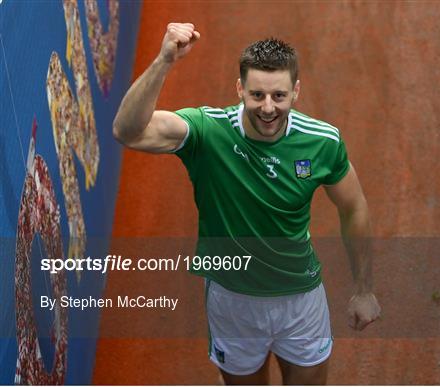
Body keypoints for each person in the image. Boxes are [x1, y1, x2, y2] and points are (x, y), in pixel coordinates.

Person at [113, 22, 381, 385]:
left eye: (278, 96)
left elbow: (354, 207)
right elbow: (127, 131)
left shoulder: (323, 142)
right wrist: (164, 60)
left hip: (300, 299)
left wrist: (363, 289)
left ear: (295, 91)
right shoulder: (208, 132)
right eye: (257, 95)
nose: (268, 108)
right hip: (232, 301)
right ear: (240, 88)